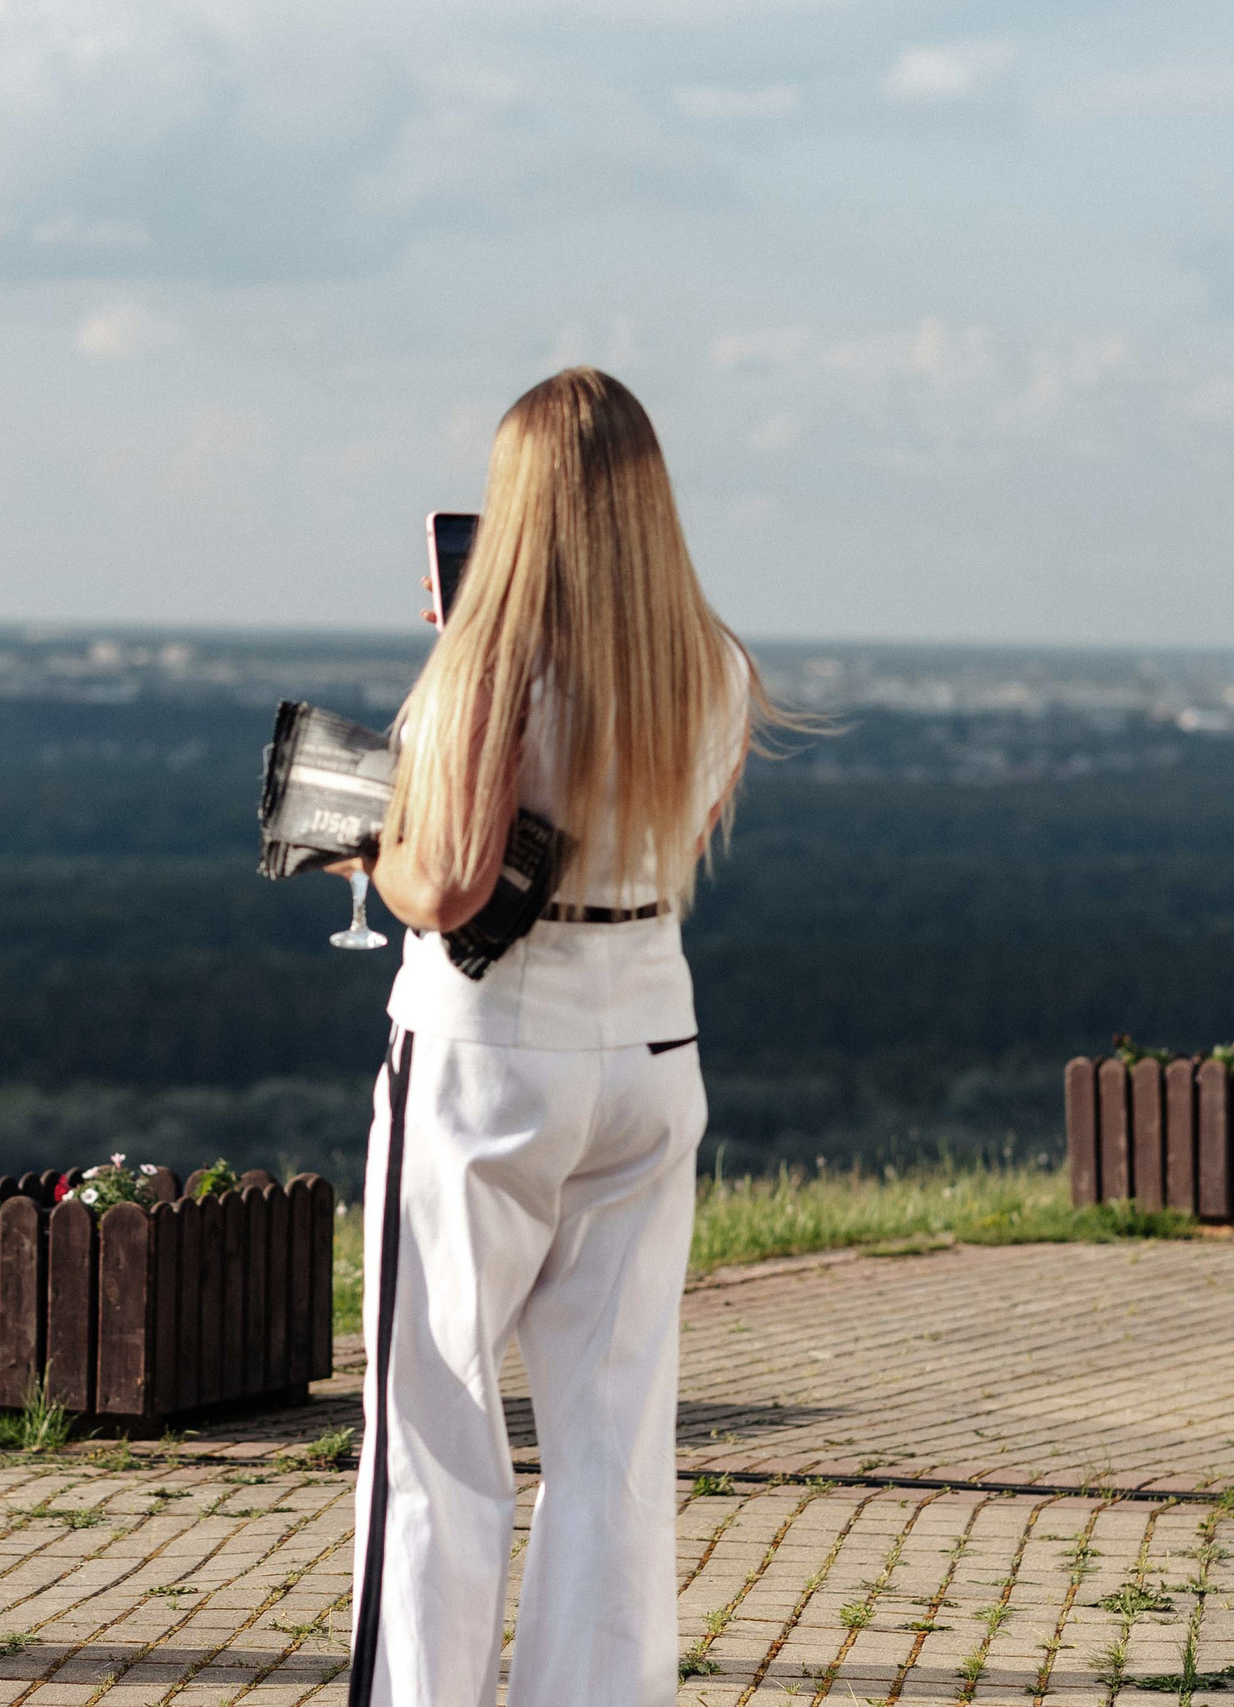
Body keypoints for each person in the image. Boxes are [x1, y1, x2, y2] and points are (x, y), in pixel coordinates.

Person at [341, 369, 779, 1706]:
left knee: (434, 1422)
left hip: (486, 1047)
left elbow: (448, 884)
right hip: (648, 1042)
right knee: (615, 1436)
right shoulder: (711, 666)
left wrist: (368, 837)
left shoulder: (492, 660)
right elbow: (680, 834)